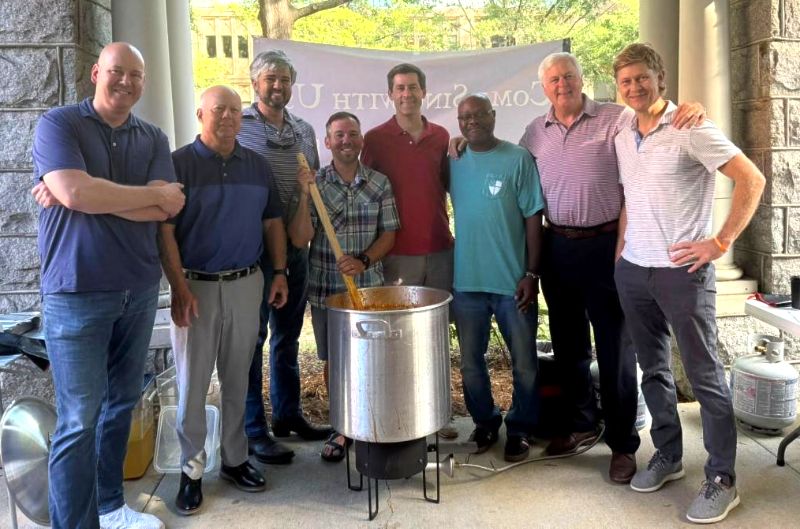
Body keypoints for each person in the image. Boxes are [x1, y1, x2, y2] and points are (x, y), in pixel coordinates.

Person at [516, 52, 704, 483]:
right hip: (557, 246)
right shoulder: (534, 131)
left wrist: (691, 108)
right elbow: (512, 168)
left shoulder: (615, 119)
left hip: (607, 246)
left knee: (617, 349)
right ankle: (582, 424)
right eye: (553, 79)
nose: (562, 84)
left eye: (568, 76)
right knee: (568, 346)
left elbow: (655, 120)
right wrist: (460, 143)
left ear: (581, 78)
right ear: (544, 87)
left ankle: (622, 444)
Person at [31, 42, 185, 529]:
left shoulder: (153, 137)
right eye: (118, 71)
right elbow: (77, 191)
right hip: (77, 291)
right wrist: (81, 194)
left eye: (136, 75)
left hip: (138, 289)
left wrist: (86, 196)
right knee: (79, 419)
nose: (126, 81)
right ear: (97, 72)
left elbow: (167, 208)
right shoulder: (60, 124)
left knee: (121, 405)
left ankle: (109, 507)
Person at [612, 43, 765, 524]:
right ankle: (669, 455)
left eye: (642, 77)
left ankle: (722, 479)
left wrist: (720, 242)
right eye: (626, 80)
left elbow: (752, 179)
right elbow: (631, 198)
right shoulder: (623, 132)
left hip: (682, 274)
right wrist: (621, 254)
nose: (635, 87)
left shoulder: (691, 126)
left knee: (705, 377)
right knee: (653, 370)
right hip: (634, 270)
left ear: (661, 78)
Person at [158, 86, 288, 515]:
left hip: (246, 284)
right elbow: (165, 232)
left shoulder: (257, 165)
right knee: (193, 384)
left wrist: (280, 272)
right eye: (219, 110)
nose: (228, 117)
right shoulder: (178, 164)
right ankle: (192, 470)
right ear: (201, 114)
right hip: (194, 288)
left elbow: (272, 223)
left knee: (238, 379)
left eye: (234, 110)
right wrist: (178, 288)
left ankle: (235, 459)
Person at [288, 111, 400, 461]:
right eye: (339, 135)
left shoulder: (379, 183)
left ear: (361, 139)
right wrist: (303, 195)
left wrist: (364, 260)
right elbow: (300, 238)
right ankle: (342, 426)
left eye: (352, 134)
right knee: (336, 362)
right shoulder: (316, 184)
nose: (346, 140)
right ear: (327, 142)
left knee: (373, 358)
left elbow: (389, 234)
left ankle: (373, 422)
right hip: (328, 291)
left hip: (369, 291)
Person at [238, 49, 331, 465]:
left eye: (285, 80)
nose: (278, 86)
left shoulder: (304, 130)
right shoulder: (238, 125)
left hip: (296, 247)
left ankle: (288, 414)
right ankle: (253, 429)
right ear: (255, 82)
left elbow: (310, 186)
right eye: (270, 79)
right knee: (253, 340)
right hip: (252, 248)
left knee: (288, 336)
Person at [361, 63, 458, 438]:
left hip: (440, 250)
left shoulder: (441, 136)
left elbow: (449, 183)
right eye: (400, 88)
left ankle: (437, 416)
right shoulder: (375, 139)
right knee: (400, 341)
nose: (407, 94)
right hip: (396, 255)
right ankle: (402, 418)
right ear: (390, 94)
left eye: (413, 87)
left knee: (436, 340)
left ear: (423, 92)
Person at [449, 94, 544, 463]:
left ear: (493, 116)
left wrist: (531, 273)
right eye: (464, 117)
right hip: (467, 283)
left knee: (524, 363)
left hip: (512, 283)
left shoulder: (517, 158)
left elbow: (533, 216)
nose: (471, 121)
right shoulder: (454, 159)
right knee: (471, 363)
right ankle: (485, 422)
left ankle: (520, 428)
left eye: (478, 115)